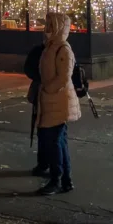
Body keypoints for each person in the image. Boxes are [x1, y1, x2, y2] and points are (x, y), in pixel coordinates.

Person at [35, 12, 80, 196]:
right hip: (51, 100)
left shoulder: (63, 49)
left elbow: (63, 77)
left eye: (50, 25)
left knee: (55, 142)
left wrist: (48, 90)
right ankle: (65, 180)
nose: (47, 28)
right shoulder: (51, 46)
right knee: (57, 141)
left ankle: (58, 179)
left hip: (58, 100)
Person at [24, 40, 48, 176]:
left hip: (48, 96)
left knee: (49, 132)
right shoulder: (41, 50)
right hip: (43, 94)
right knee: (45, 130)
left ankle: (46, 164)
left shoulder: (60, 50)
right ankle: (45, 164)